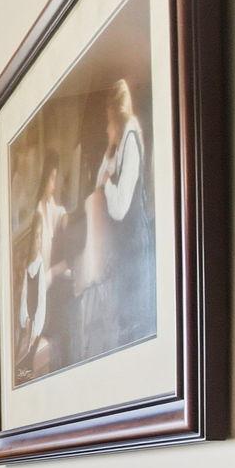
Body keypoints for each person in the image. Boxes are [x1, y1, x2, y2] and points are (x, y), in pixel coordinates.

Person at [76, 79, 157, 361]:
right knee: (121, 325)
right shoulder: (120, 144)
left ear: (117, 116)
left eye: (110, 120)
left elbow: (120, 207)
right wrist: (109, 152)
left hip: (134, 245)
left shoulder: (132, 142)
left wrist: (110, 183)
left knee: (132, 326)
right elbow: (100, 181)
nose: (107, 126)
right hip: (124, 250)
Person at [17, 149, 70, 381]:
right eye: (51, 178)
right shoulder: (39, 214)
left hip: (49, 284)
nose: (53, 183)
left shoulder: (51, 207)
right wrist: (53, 272)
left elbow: (59, 214)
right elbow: (36, 280)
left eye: (54, 178)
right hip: (43, 287)